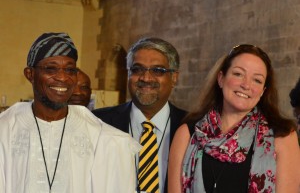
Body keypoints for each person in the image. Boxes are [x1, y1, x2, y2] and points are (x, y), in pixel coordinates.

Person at [0, 32, 140, 193]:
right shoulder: (5, 131)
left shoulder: (106, 140)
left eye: (70, 70)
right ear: (30, 74)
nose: (62, 77)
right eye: (51, 68)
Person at [168, 44, 300, 193]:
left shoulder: (282, 136)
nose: (246, 85)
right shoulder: (187, 133)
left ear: (263, 91)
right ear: (221, 78)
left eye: (257, 80)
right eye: (238, 74)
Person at [92, 37, 187, 193]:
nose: (146, 78)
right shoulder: (99, 122)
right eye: (137, 69)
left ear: (174, 77)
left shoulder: (192, 127)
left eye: (157, 70)